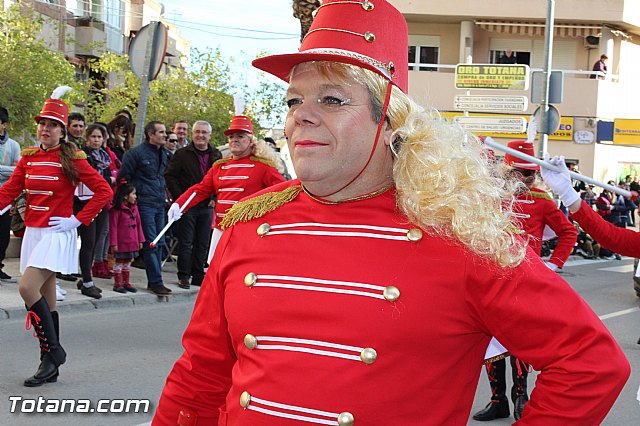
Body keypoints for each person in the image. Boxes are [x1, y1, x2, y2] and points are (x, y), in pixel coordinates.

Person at [153, 2, 629, 424]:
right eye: (294, 100)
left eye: (332, 99)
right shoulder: (251, 226)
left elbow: (590, 365)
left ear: (391, 121)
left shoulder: (461, 235)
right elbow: (199, 379)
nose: (302, 114)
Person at [0, 87, 111, 387]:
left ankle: (55, 352)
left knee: (26, 288)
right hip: (33, 234)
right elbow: (9, 191)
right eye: (42, 124)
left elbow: (104, 191)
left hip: (56, 234)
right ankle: (49, 363)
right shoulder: (28, 158)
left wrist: (77, 219)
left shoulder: (73, 159)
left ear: (62, 131)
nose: (44, 129)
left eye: (51, 125)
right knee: (48, 301)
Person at [473, 141, 577, 422]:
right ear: (508, 170)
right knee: (490, 342)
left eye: (530, 173)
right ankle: (498, 401)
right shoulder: (491, 194)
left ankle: (521, 397)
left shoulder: (542, 200)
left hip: (525, 282)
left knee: (519, 341)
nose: (526, 179)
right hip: (491, 276)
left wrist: (553, 265)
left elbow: (568, 232)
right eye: (520, 172)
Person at [168, 116, 284, 265]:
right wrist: (179, 205)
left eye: (240, 136)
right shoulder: (219, 167)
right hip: (221, 229)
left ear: (250, 141)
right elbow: (200, 189)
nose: (234, 140)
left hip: (247, 232)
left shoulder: (264, 168)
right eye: (231, 136)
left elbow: (282, 195)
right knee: (215, 272)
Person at [117, 121, 172, 296]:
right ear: (151, 134)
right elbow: (123, 178)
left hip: (159, 203)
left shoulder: (165, 154)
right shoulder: (135, 154)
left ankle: (155, 280)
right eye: (161, 132)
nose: (165, 135)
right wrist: (132, 197)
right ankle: (156, 282)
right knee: (151, 243)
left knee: (161, 242)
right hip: (144, 203)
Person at [165, 121, 221, 289]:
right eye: (197, 132)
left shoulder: (216, 155)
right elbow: (170, 176)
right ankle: (184, 275)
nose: (200, 135)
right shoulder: (182, 154)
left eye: (204, 132)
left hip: (207, 205)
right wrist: (181, 198)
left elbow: (219, 179)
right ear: (192, 134)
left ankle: (198, 274)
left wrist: (214, 197)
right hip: (187, 205)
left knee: (203, 242)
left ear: (209, 136)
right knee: (186, 241)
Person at [74, 123, 114, 299]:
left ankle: (85, 277)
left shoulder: (105, 157)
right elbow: (93, 179)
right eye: (93, 137)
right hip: (85, 202)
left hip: (101, 202)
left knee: (97, 240)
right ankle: (87, 281)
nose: (96, 140)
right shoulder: (84, 156)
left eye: (99, 137)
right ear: (87, 138)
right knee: (88, 241)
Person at [109, 183, 144, 293]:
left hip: (132, 242)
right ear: (125, 196)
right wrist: (113, 243)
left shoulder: (135, 208)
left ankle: (126, 282)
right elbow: (113, 228)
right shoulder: (116, 210)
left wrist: (140, 240)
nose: (135, 196)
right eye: (133, 194)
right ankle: (117, 283)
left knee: (128, 262)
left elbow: (138, 225)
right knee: (119, 262)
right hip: (121, 242)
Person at [0, 106, 21, 283]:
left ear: (4, 124)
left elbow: (17, 171)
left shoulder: (13, 145)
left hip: (6, 199)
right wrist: (7, 171)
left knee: (3, 236)